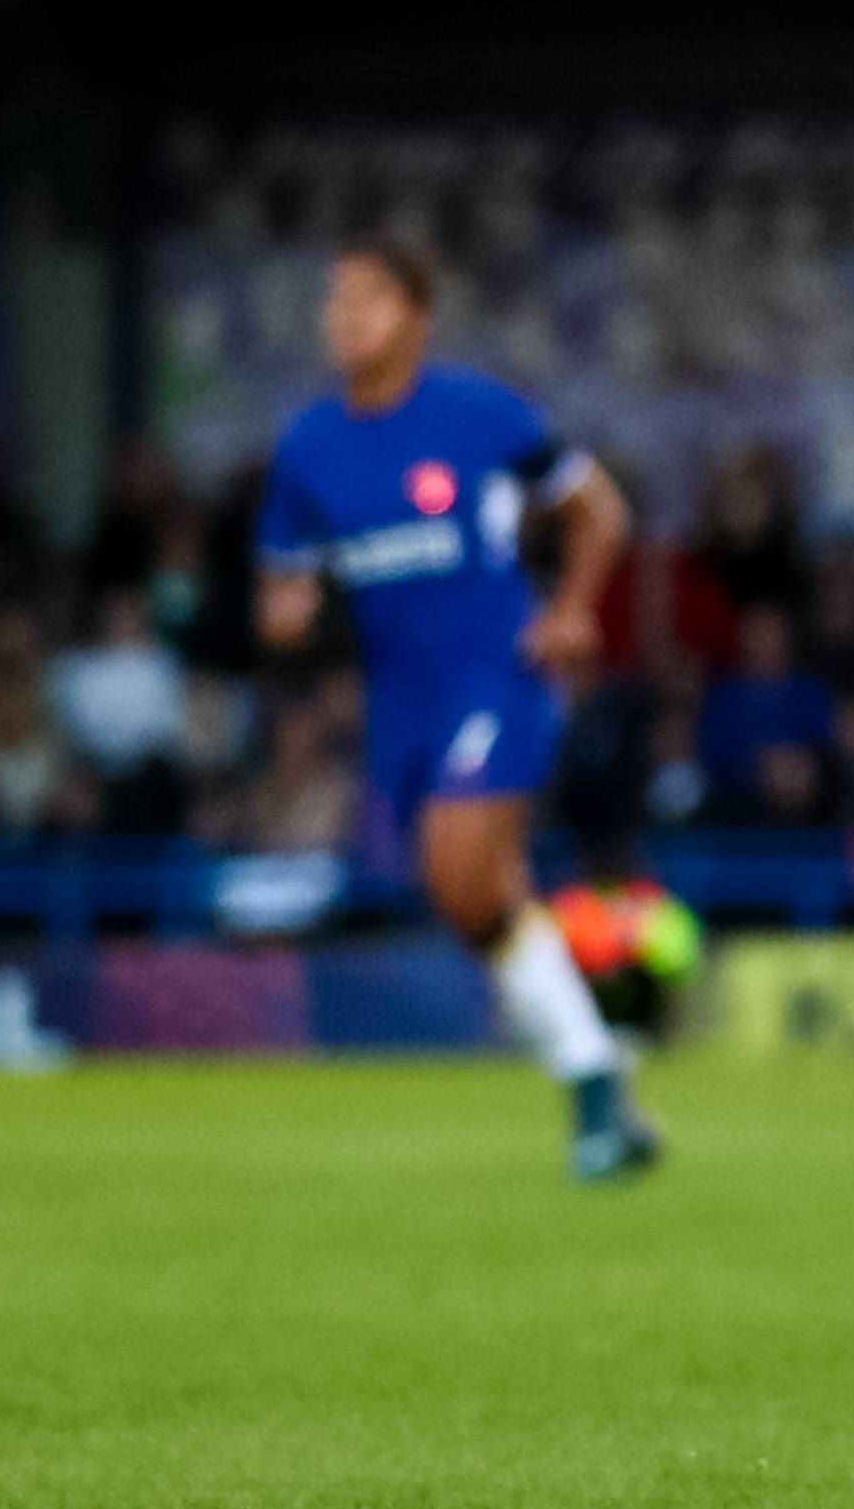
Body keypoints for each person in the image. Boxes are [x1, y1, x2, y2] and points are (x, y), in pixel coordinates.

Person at [255, 240, 659, 1180]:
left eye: (370, 297)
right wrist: (288, 615)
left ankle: (598, 1075)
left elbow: (599, 508)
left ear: (416, 316)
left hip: (496, 674)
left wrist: (569, 610)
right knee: (467, 896)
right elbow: (283, 586)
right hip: (399, 702)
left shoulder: (477, 414)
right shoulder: (308, 447)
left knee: (461, 860)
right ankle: (599, 1080)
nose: (347, 315)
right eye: (336, 298)